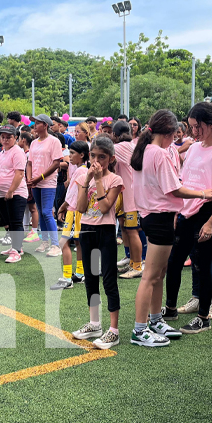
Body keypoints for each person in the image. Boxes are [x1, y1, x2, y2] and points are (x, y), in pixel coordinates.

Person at [130, 110, 211, 348]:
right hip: (159, 218)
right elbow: (173, 189)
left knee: (158, 274)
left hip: (153, 217)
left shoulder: (145, 149)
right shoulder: (159, 153)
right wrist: (202, 193)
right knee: (150, 277)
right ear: (169, 133)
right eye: (174, 135)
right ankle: (140, 329)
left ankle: (155, 321)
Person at [163, 102, 212, 333]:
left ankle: (204, 317)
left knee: (204, 266)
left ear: (211, 124)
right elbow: (185, 182)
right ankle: (170, 308)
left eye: (197, 127)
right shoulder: (193, 148)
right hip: (187, 210)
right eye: (191, 126)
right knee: (174, 262)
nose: (194, 131)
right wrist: (178, 211)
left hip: (209, 211)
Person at [71, 136, 124, 349]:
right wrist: (87, 181)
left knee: (109, 278)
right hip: (87, 230)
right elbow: (81, 208)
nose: (97, 161)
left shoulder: (115, 180)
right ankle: (95, 323)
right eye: (93, 156)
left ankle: (114, 330)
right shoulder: (84, 177)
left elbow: (104, 208)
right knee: (91, 278)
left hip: (106, 231)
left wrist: (99, 179)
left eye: (102, 157)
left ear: (110, 158)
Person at [51, 140, 89, 289]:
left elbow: (73, 194)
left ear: (82, 155)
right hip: (80, 211)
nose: (70, 156)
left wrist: (62, 207)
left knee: (64, 242)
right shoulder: (84, 169)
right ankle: (80, 273)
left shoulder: (80, 171)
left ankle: (67, 277)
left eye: (73, 153)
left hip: (74, 211)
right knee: (78, 242)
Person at [27, 114, 63, 257]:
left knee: (47, 212)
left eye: (37, 123)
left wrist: (39, 177)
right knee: (41, 211)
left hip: (47, 182)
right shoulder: (34, 142)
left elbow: (56, 163)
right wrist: (30, 178)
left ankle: (56, 245)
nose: (35, 125)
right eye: (34, 123)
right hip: (36, 182)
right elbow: (29, 162)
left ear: (45, 125)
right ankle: (45, 241)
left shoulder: (54, 141)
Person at [111, 121, 143, 279]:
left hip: (130, 196)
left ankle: (137, 265)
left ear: (115, 135)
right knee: (125, 228)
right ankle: (132, 261)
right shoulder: (134, 146)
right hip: (129, 195)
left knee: (132, 231)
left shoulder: (117, 148)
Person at [0, 125, 28, 263]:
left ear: (15, 138)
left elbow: (19, 173)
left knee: (15, 221)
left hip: (16, 193)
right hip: (3, 193)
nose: (6, 139)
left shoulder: (17, 152)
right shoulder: (2, 152)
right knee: (8, 221)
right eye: (3, 137)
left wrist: (11, 191)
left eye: (9, 137)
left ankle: (17, 250)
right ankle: (15, 247)